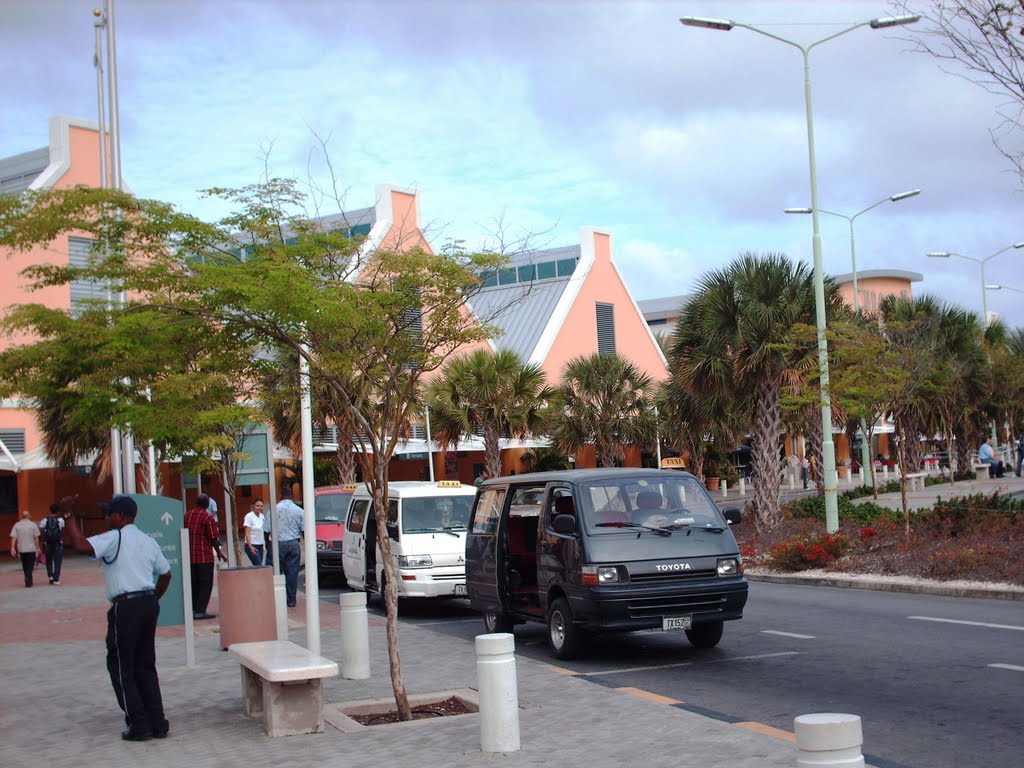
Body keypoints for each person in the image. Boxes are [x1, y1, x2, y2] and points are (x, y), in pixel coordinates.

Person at [63, 494, 172, 741]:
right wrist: (153, 598)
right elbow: (166, 574)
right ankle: (158, 722)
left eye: (109, 513)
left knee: (123, 666)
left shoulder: (115, 537)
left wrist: (68, 514)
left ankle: (139, 724)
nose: (105, 517)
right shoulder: (148, 540)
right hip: (147, 602)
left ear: (122, 517)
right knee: (146, 665)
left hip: (126, 606)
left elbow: (80, 545)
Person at [184, 493, 226, 619]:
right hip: (204, 557)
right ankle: (200, 610)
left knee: (193, 583)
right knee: (205, 584)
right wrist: (219, 553)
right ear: (207, 504)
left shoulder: (187, 515)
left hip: (190, 557)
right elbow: (213, 538)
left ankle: (193, 609)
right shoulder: (208, 518)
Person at [275, 485, 305, 608]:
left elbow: (266, 529)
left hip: (279, 543)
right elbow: (304, 530)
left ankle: (278, 598)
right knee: (292, 572)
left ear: (281, 495)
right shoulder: (299, 510)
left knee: (277, 572)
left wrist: (268, 544)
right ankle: (291, 600)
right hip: (293, 543)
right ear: (292, 496)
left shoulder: (274, 509)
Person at [9, 510, 40, 588]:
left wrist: (12, 547)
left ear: (22, 516)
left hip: (22, 549)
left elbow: (14, 537)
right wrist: (38, 547)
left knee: (25, 564)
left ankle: (28, 579)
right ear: (29, 516)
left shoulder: (17, 525)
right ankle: (28, 578)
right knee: (30, 565)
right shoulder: (33, 525)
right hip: (31, 549)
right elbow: (36, 538)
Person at [40, 502, 65, 585]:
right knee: (58, 560)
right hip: (58, 543)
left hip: (48, 543)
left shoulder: (45, 520)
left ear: (50, 511)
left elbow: (41, 528)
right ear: (58, 511)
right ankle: (56, 579)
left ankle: (50, 575)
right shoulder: (60, 520)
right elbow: (62, 529)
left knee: (48, 559)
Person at [242, 499, 266, 566]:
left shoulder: (262, 516)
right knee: (258, 565)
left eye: (261, 506)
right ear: (254, 506)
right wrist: (250, 547)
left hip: (260, 545)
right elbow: (247, 533)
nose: (259, 507)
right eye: (257, 506)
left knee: (258, 566)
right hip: (252, 545)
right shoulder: (249, 516)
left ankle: (256, 576)